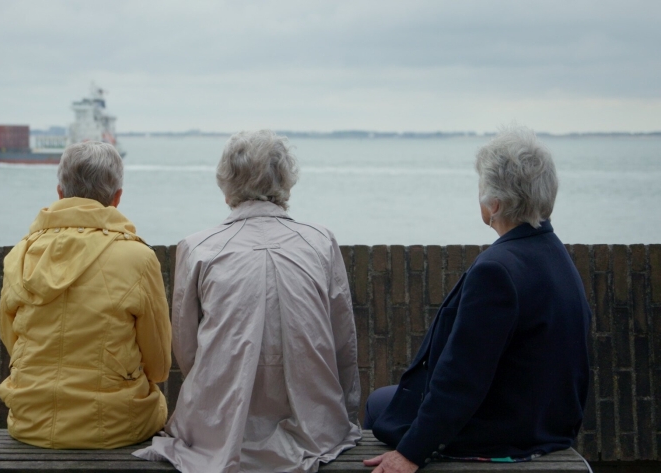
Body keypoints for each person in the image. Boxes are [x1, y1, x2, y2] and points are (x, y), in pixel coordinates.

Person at [362, 125, 591, 472]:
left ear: (494, 204)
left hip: (503, 433)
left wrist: (410, 454)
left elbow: (461, 377)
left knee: (380, 404)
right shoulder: (554, 253)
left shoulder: (496, 271)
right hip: (548, 424)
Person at [133, 130, 361, 472]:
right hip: (316, 427)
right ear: (286, 181)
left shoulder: (198, 248)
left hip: (218, 427)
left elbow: (186, 348)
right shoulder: (320, 242)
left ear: (226, 183)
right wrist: (341, 410)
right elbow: (343, 341)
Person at [0, 141, 172, 449]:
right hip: (117, 427)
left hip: (30, 423)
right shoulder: (138, 259)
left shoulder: (19, 256)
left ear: (60, 192)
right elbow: (158, 366)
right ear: (116, 198)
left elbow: (13, 343)